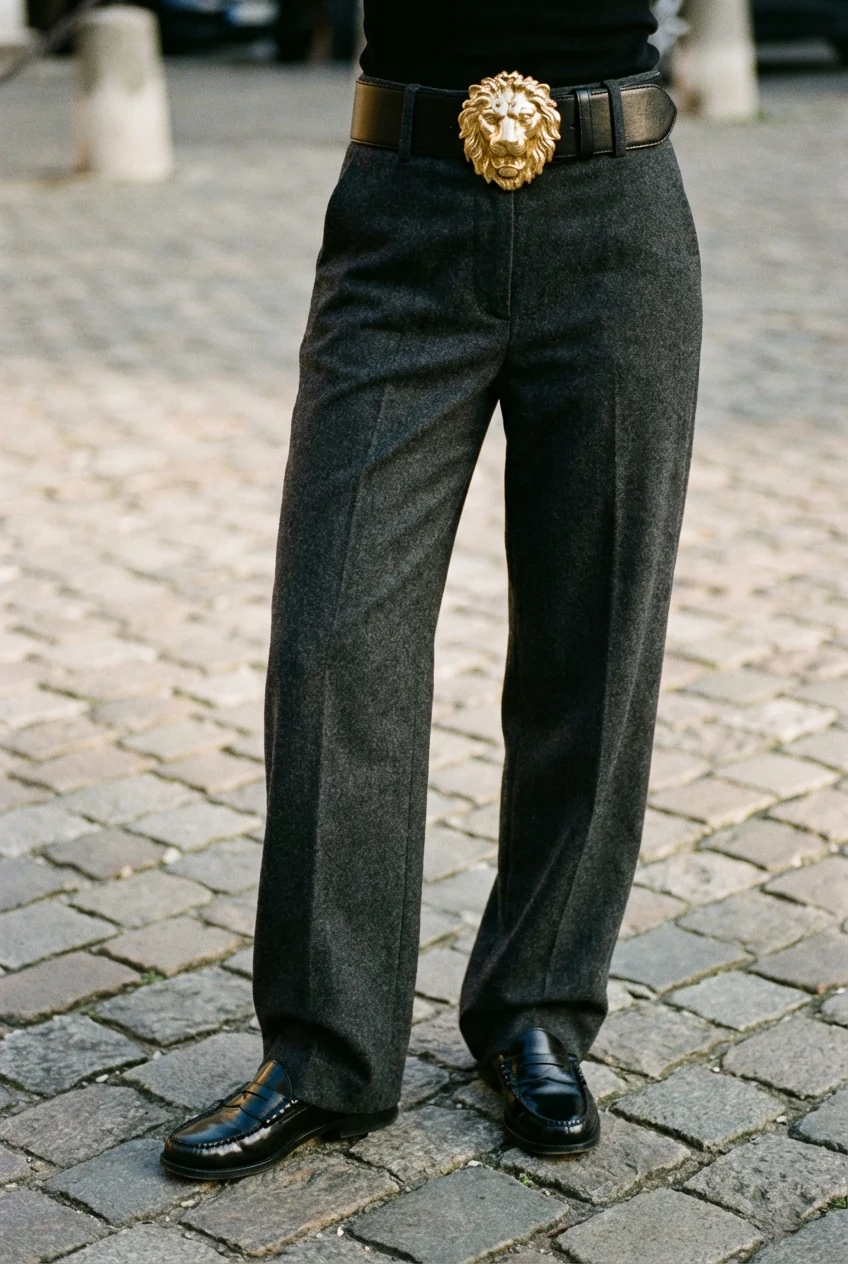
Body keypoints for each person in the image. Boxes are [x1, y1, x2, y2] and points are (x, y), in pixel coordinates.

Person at [161, 2, 702, 1181]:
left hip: (614, 210)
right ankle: (325, 1050)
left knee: (593, 634)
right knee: (332, 638)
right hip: (401, 210)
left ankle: (537, 1008)